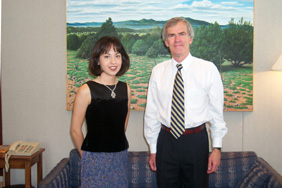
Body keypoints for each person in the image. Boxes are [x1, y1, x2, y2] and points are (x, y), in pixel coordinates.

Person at [144, 17, 228, 188]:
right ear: (166, 42)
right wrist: (153, 149)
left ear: (190, 38)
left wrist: (217, 148)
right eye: (171, 35)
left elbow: (216, 112)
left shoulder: (208, 69)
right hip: (166, 142)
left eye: (182, 34)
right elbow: (151, 112)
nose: (177, 40)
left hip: (196, 142)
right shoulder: (157, 71)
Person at [70, 36, 131, 187]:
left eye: (117, 56)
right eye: (107, 56)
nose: (113, 61)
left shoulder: (126, 89)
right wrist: (87, 157)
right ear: (98, 60)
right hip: (93, 158)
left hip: (120, 156)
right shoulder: (86, 90)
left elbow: (122, 126)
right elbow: (75, 130)